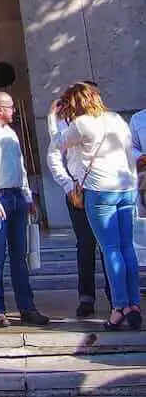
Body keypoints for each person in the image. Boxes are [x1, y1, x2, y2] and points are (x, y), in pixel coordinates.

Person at [49, 83, 140, 331]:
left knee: (110, 249)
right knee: (126, 248)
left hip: (100, 191)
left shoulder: (81, 124)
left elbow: (57, 144)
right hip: (125, 188)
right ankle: (134, 304)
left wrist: (51, 118)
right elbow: (129, 153)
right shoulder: (116, 120)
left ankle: (119, 307)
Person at [0, 91, 49, 328]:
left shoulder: (11, 134)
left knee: (19, 255)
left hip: (15, 194)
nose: (14, 110)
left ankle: (27, 307)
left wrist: (27, 194)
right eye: (10, 107)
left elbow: (20, 166)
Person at [46, 89, 111, 317]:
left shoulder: (104, 123)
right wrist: (67, 185)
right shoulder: (66, 126)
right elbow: (55, 155)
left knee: (107, 243)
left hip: (101, 188)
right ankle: (86, 297)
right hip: (76, 189)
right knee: (85, 243)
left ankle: (115, 294)